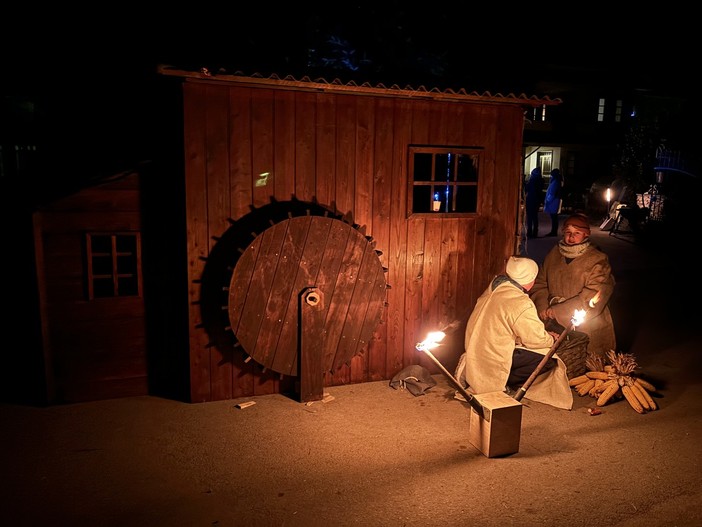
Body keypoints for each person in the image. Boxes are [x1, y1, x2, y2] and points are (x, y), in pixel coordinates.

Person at [456, 255, 573, 410]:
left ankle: (500, 377)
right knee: (550, 358)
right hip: (493, 360)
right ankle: (506, 382)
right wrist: (550, 338)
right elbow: (536, 340)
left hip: (475, 353)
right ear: (531, 279)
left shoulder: (494, 287)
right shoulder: (519, 301)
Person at [529, 212, 616, 361]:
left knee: (587, 361)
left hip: (586, 322)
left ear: (586, 235)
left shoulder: (597, 260)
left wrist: (558, 311)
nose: (571, 237)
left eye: (577, 233)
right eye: (568, 232)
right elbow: (540, 282)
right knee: (558, 359)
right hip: (553, 320)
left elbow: (594, 294)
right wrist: (542, 305)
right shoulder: (554, 253)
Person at [524, 167, 543, 238]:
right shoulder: (540, 181)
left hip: (531, 200)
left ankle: (529, 233)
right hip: (536, 201)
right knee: (535, 217)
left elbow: (526, 189)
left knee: (530, 217)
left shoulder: (532, 181)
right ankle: (535, 232)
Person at [543, 168, 563, 236]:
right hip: (555, 201)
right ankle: (553, 231)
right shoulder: (557, 181)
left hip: (553, 202)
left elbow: (552, 193)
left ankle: (553, 232)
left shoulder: (555, 182)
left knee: (554, 217)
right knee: (554, 217)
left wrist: (548, 200)